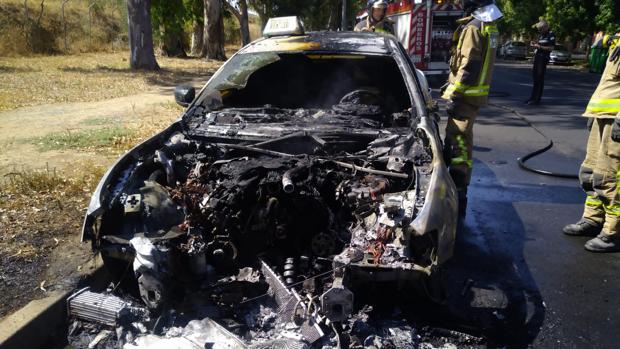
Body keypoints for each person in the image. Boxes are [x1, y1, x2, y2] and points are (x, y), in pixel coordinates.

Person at [441, 0, 502, 216]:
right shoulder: (488, 25)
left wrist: (455, 95)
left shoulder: (473, 28)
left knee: (458, 141)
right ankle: (460, 187)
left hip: (466, 97)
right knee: (463, 141)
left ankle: (458, 190)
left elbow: (469, 65)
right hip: (474, 95)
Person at [563, 33, 620, 252]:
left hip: (615, 120)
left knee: (611, 176)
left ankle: (613, 232)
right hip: (603, 116)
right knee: (591, 172)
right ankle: (593, 219)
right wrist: (595, 113)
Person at [525, 19, 555, 105]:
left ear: (546, 27)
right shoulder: (541, 35)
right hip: (537, 57)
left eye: (541, 29)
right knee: (535, 78)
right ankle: (532, 97)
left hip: (543, 58)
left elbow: (551, 48)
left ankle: (537, 99)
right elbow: (539, 45)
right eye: (539, 29)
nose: (540, 31)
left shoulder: (551, 34)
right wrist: (534, 44)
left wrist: (540, 47)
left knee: (539, 78)